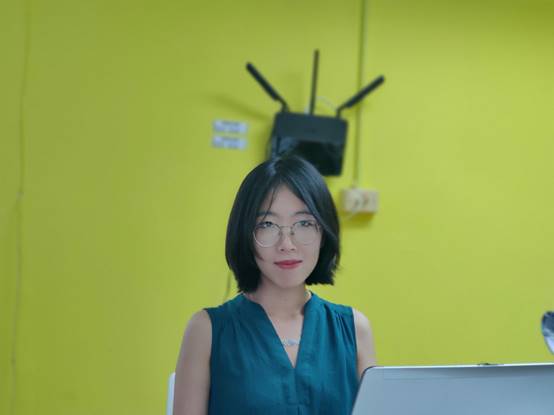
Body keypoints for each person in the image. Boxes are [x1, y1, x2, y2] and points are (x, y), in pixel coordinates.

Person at [174, 155, 376, 415]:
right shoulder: (207, 330)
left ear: (324, 232)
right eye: (267, 225)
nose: (287, 244)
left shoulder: (354, 329)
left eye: (304, 223)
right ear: (245, 234)